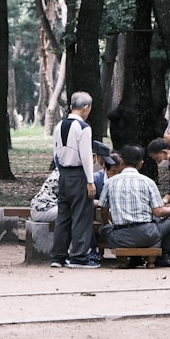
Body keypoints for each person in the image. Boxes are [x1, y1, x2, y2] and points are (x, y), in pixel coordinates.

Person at [98, 144, 170, 267]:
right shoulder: (148, 182)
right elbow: (158, 212)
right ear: (141, 163)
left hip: (119, 238)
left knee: (102, 229)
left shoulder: (110, 183)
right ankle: (164, 256)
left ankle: (134, 259)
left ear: (121, 162)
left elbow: (104, 211)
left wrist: (107, 224)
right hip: (147, 235)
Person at [50, 91, 99, 269]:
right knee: (81, 215)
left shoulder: (60, 125)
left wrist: (61, 170)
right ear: (86, 108)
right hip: (79, 174)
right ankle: (78, 256)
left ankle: (58, 256)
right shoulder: (83, 127)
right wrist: (90, 180)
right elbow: (86, 155)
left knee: (63, 216)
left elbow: (55, 153)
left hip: (63, 174)